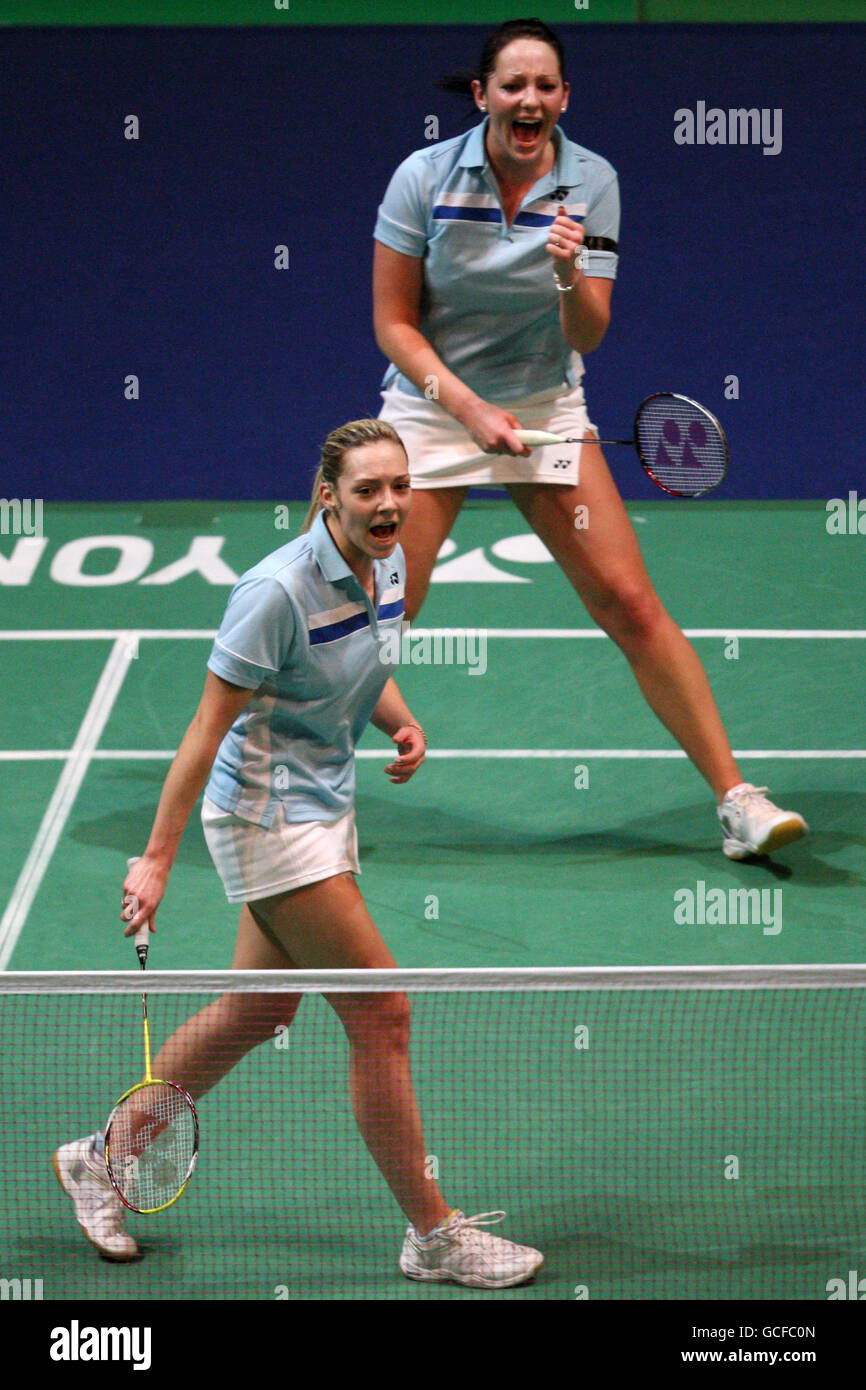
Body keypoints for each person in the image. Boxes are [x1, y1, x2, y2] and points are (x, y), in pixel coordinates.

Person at [53, 418, 543, 1291]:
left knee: (259, 1010)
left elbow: (364, 656)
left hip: (325, 801)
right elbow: (205, 733)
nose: (388, 504)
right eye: (366, 490)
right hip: (269, 819)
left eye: (399, 486)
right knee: (382, 1013)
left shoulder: (385, 560)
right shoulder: (273, 592)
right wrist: (157, 859)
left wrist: (396, 718)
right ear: (328, 497)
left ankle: (102, 1158)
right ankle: (432, 1234)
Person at [372, 18, 807, 860]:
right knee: (378, 620)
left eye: (545, 86)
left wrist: (569, 271)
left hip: (545, 409)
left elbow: (592, 332)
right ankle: (285, 783)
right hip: (432, 409)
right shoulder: (422, 177)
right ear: (482, 94)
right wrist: (466, 411)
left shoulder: (592, 181)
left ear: (563, 97)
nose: (528, 100)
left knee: (631, 606)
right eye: (512, 85)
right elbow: (394, 325)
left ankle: (736, 800)